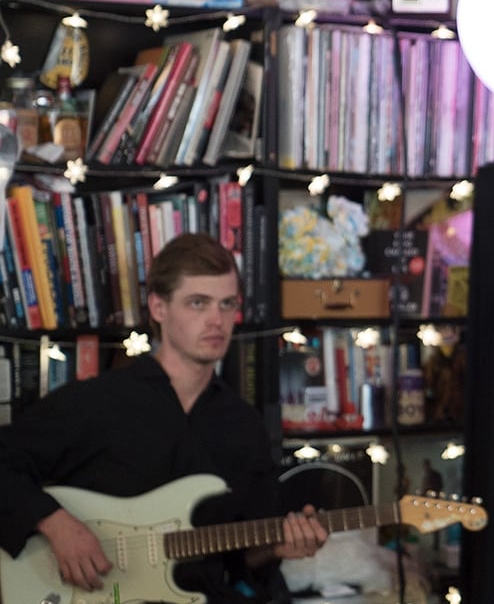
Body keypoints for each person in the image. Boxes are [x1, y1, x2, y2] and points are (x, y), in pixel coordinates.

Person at [0, 233, 328, 604]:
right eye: (198, 303)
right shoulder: (97, 402)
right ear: (159, 308)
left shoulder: (244, 427)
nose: (216, 320)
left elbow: (243, 557)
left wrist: (278, 549)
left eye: (226, 304)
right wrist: (54, 523)